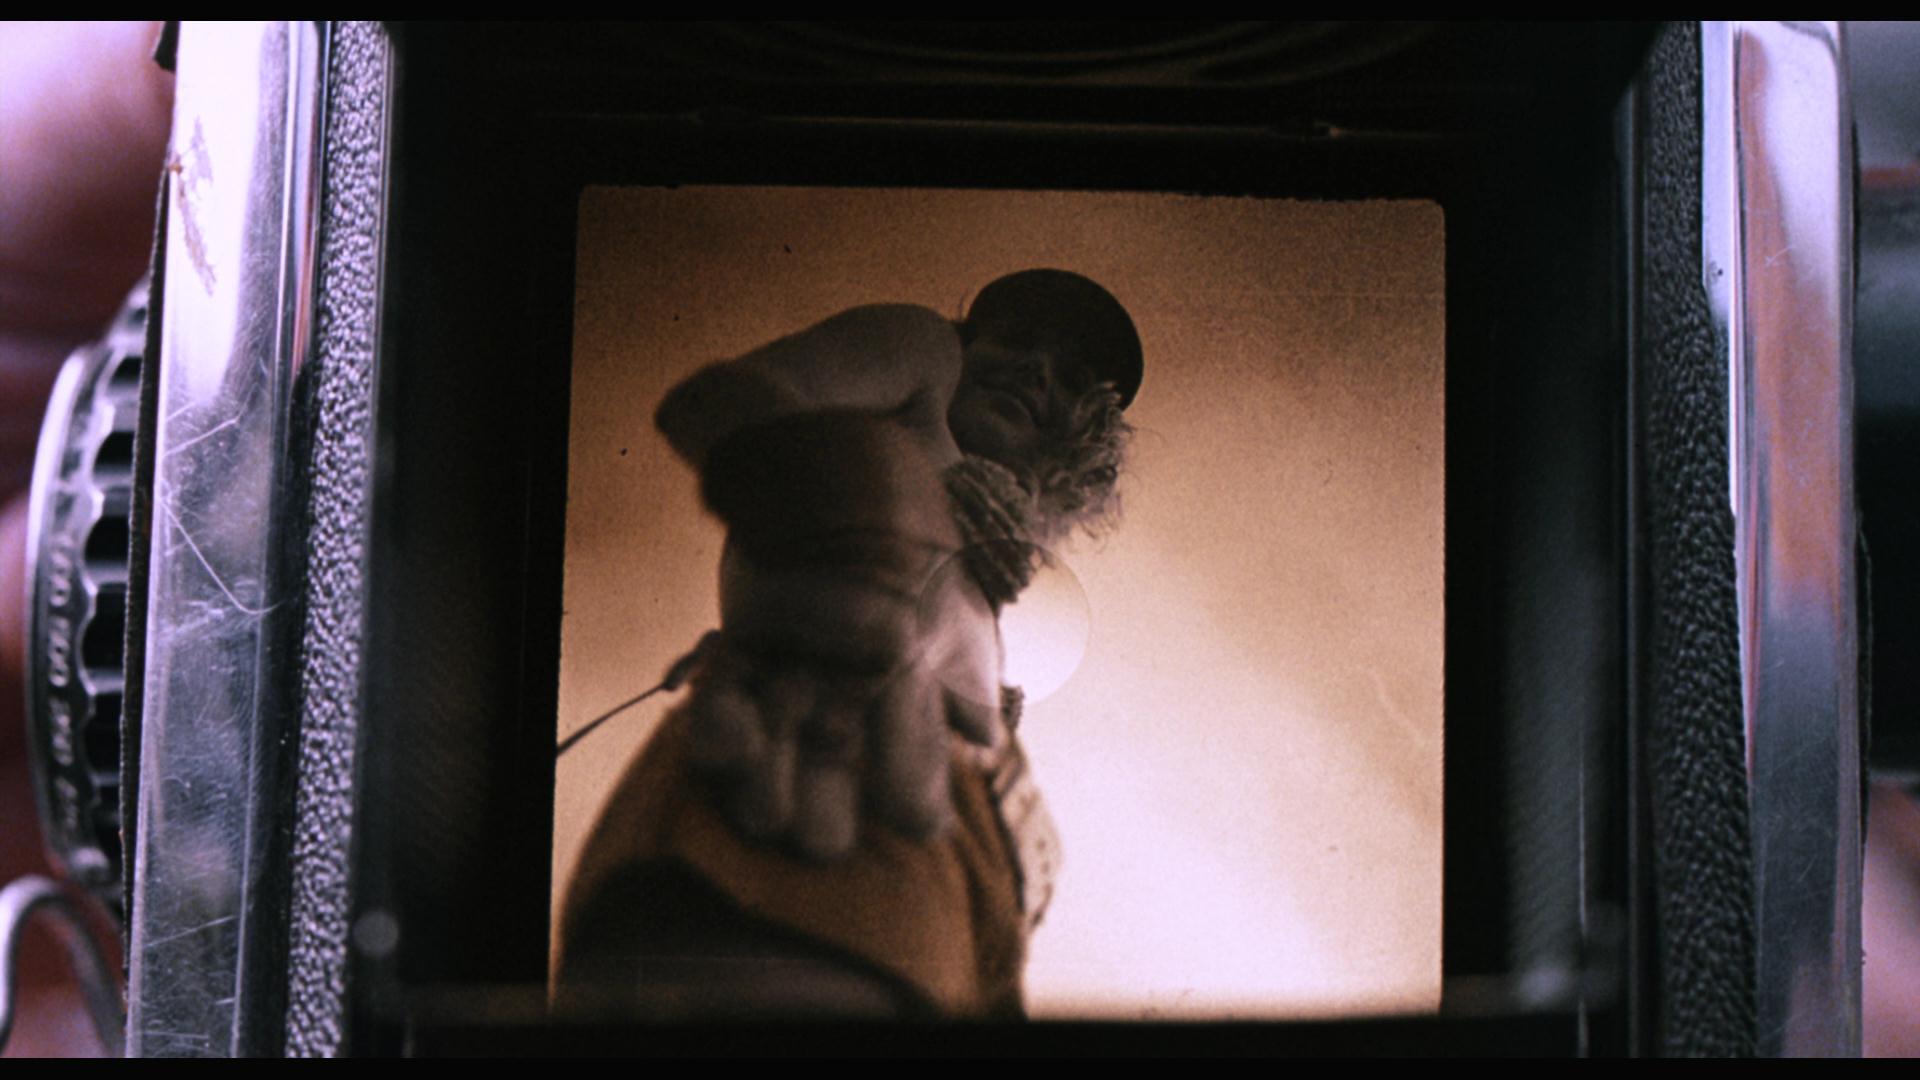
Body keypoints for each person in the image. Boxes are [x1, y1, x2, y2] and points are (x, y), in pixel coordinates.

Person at [555, 269, 1141, 1019]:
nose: (1036, 370)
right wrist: (857, 528)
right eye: (1017, 339)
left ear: (1085, 432)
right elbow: (724, 402)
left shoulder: (1005, 565)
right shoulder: (924, 356)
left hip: (946, 863)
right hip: (801, 774)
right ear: (967, 341)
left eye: (1072, 377)